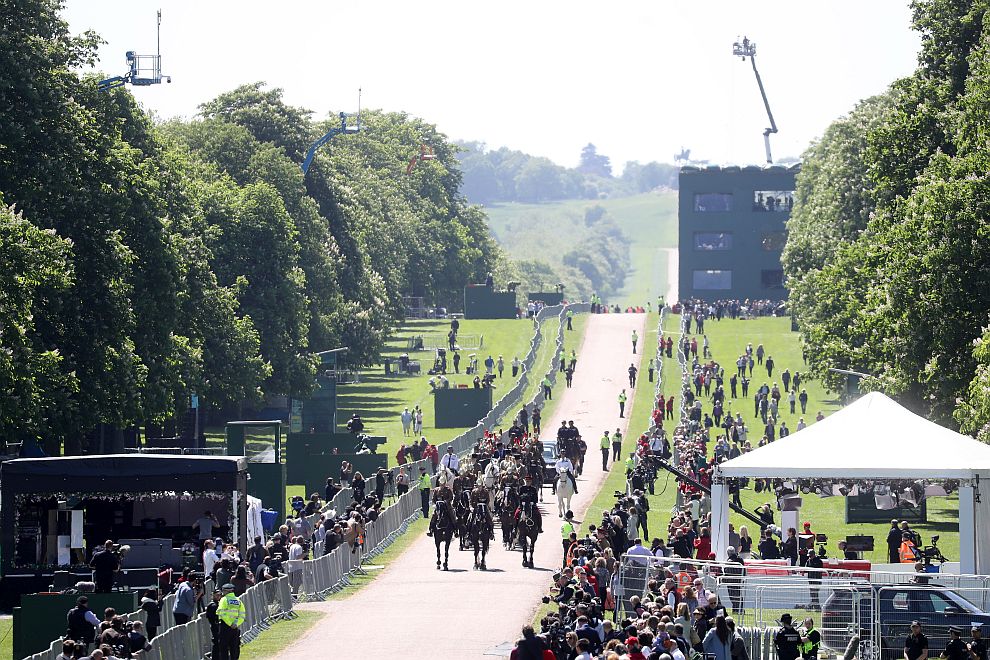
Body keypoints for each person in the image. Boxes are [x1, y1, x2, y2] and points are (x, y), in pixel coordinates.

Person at [217, 583, 246, 660]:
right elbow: (242, 615)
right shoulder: (238, 600)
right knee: (234, 648)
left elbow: (221, 613)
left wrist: (229, 623)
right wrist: (236, 624)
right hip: (235, 628)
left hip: (225, 627)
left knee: (223, 648)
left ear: (226, 591)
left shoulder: (224, 600)